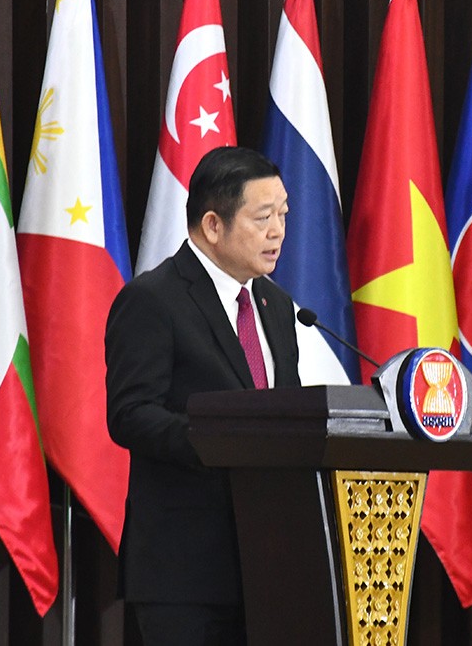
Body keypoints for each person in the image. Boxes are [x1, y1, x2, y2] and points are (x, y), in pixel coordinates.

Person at [105, 146, 300, 645]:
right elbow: (130, 413)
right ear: (213, 225)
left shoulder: (276, 305)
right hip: (184, 571)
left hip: (269, 564)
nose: (278, 231)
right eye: (263, 217)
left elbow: (289, 413)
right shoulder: (153, 299)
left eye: (283, 214)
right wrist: (222, 441)